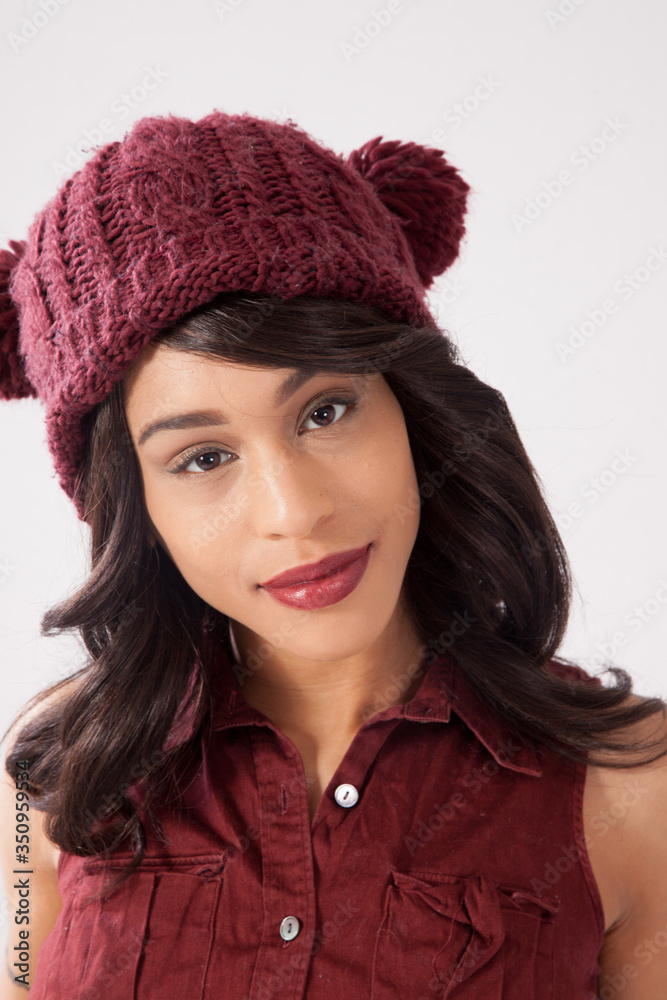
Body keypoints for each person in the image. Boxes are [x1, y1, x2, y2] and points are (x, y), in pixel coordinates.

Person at [0, 108, 666, 1000]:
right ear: (135, 508)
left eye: (325, 412)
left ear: (411, 409)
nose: (294, 512)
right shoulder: (42, 794)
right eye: (202, 458)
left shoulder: (632, 787)